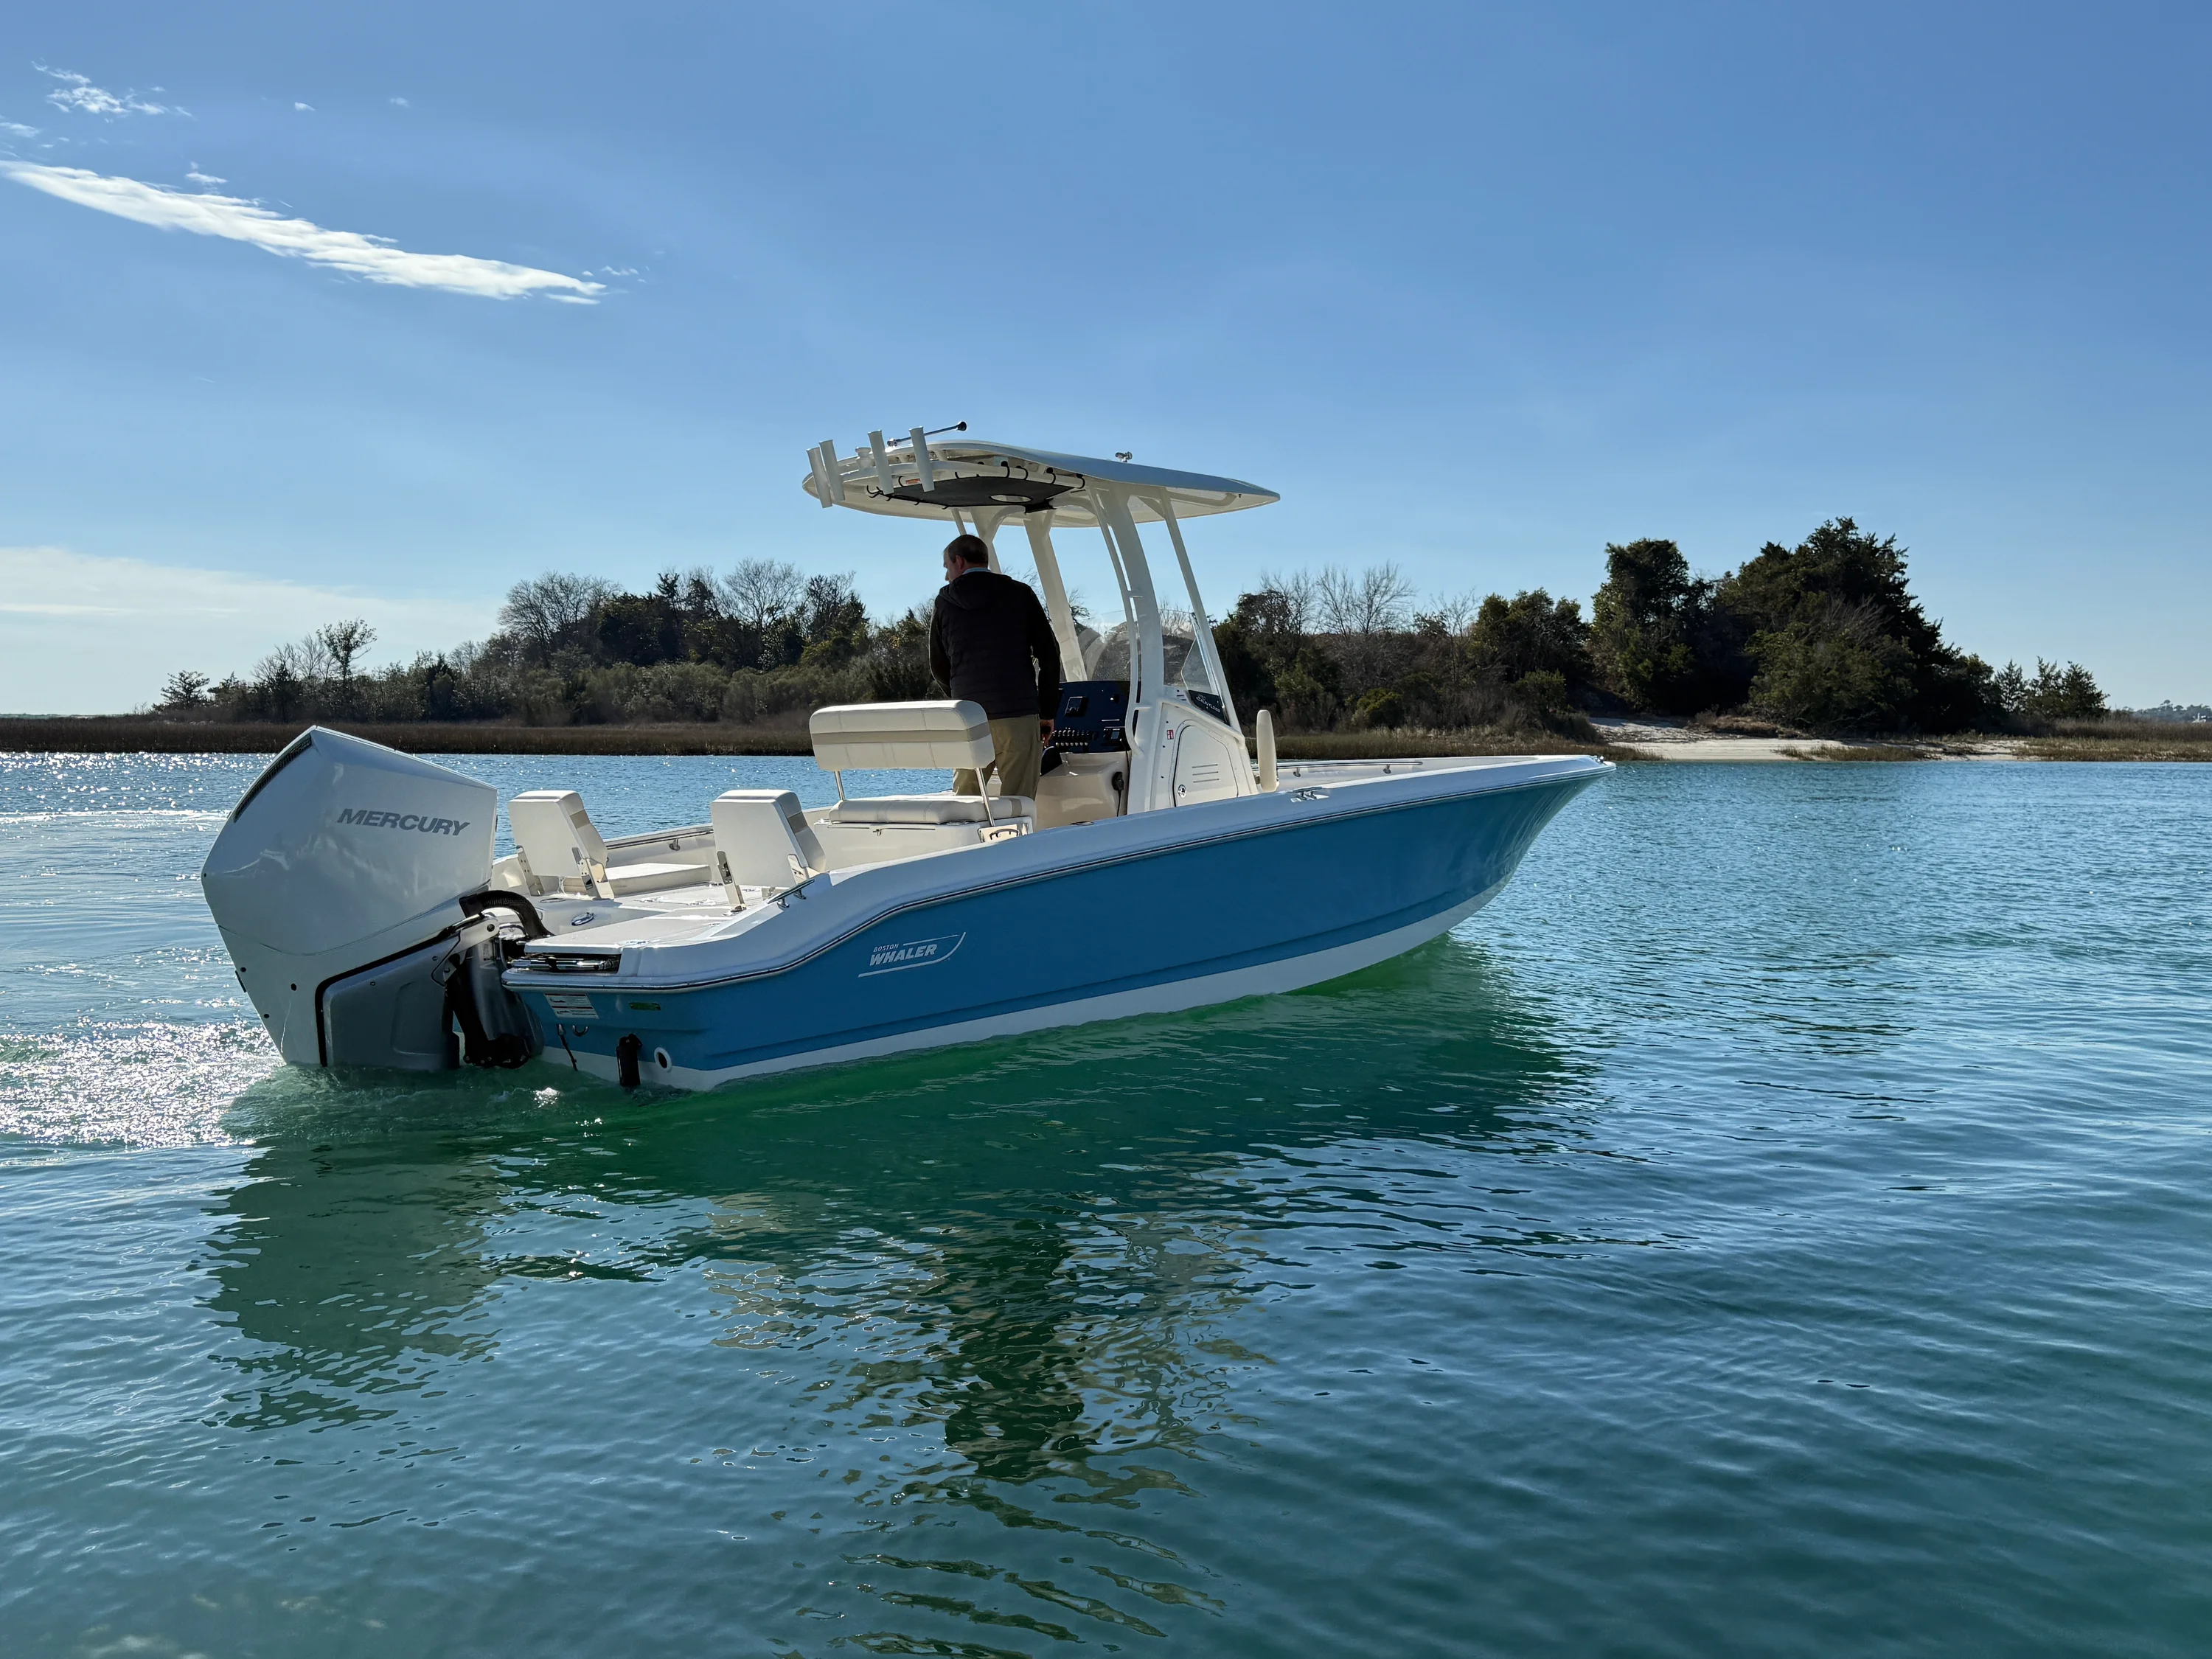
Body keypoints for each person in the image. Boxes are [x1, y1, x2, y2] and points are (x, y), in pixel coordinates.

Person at [928, 533, 1061, 802]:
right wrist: (1046, 711)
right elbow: (1049, 654)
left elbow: (938, 665)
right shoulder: (1021, 594)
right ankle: (1017, 843)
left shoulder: (945, 602)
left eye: (947, 568)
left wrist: (961, 700)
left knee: (965, 804)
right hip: (1018, 715)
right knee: (1019, 803)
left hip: (969, 719)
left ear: (959, 561)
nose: (946, 576)